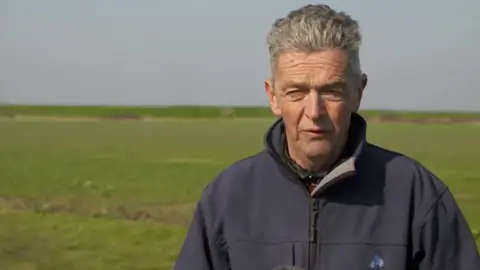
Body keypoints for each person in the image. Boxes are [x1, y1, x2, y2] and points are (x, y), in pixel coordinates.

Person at [173, 4, 480, 270]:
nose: (314, 110)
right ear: (273, 97)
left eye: (331, 91)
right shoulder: (228, 197)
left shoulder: (416, 195)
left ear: (358, 92)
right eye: (296, 92)